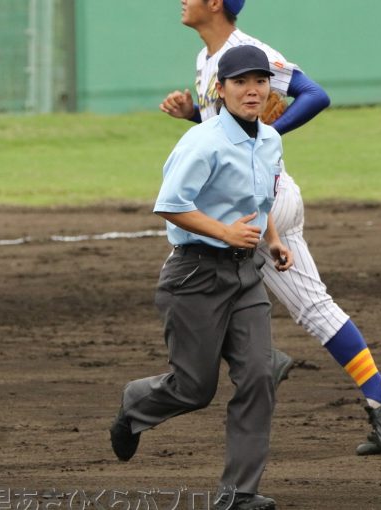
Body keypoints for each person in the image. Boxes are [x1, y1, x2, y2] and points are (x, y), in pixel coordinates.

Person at [158, 0, 381, 456]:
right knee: (296, 302)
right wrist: (194, 117)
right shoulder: (207, 59)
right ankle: (377, 394)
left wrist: (264, 140)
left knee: (195, 281)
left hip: (260, 201)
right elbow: (225, 132)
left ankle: (268, 361)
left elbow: (314, 94)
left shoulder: (246, 50)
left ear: (215, 4)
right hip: (252, 198)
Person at [110, 45, 293, 510]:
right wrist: (225, 231)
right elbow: (171, 204)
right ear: (221, 89)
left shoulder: (269, 139)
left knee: (258, 377)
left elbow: (260, 200)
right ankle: (136, 406)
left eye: (259, 81)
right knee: (194, 388)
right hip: (194, 276)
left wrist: (271, 239)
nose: (252, 91)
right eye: (240, 82)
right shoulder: (203, 141)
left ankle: (238, 495)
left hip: (245, 275)